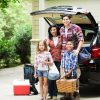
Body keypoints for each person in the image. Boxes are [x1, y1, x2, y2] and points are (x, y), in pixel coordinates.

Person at [60, 14, 84, 96]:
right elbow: (62, 41)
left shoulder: (76, 28)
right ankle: (67, 93)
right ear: (62, 21)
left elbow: (81, 39)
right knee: (65, 73)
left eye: (67, 19)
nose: (65, 20)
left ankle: (76, 92)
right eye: (64, 19)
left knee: (75, 73)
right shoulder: (61, 29)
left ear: (70, 20)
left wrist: (77, 50)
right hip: (64, 53)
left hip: (73, 53)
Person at [46, 25, 62, 99]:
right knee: (50, 77)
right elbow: (44, 49)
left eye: (54, 29)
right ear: (50, 31)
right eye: (51, 30)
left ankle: (55, 94)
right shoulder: (48, 39)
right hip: (51, 60)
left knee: (56, 77)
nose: (53, 31)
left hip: (59, 59)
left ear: (57, 30)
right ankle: (50, 93)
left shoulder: (61, 38)